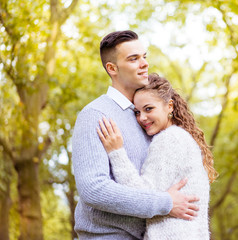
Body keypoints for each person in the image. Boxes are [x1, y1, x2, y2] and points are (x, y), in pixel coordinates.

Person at [72, 30, 200, 240]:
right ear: (112, 68)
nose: (144, 64)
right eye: (133, 59)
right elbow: (94, 189)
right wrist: (165, 203)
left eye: (144, 57)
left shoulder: (148, 118)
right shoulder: (96, 115)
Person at [97, 73, 218, 239]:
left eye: (149, 109)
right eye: (137, 112)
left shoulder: (169, 139)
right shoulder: (182, 137)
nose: (142, 118)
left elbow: (141, 195)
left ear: (169, 106)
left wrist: (116, 152)